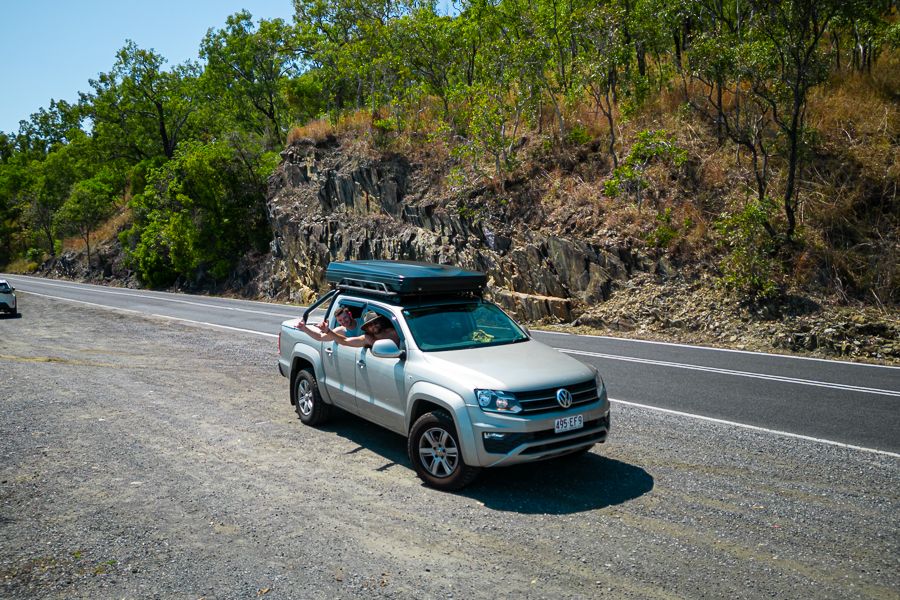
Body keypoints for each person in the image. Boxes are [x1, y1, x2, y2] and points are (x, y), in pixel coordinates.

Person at [326, 311, 401, 349]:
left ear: (380, 322)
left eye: (375, 322)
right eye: (370, 325)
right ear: (367, 329)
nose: (374, 326)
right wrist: (328, 331)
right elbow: (345, 341)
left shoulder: (394, 332)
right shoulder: (366, 338)